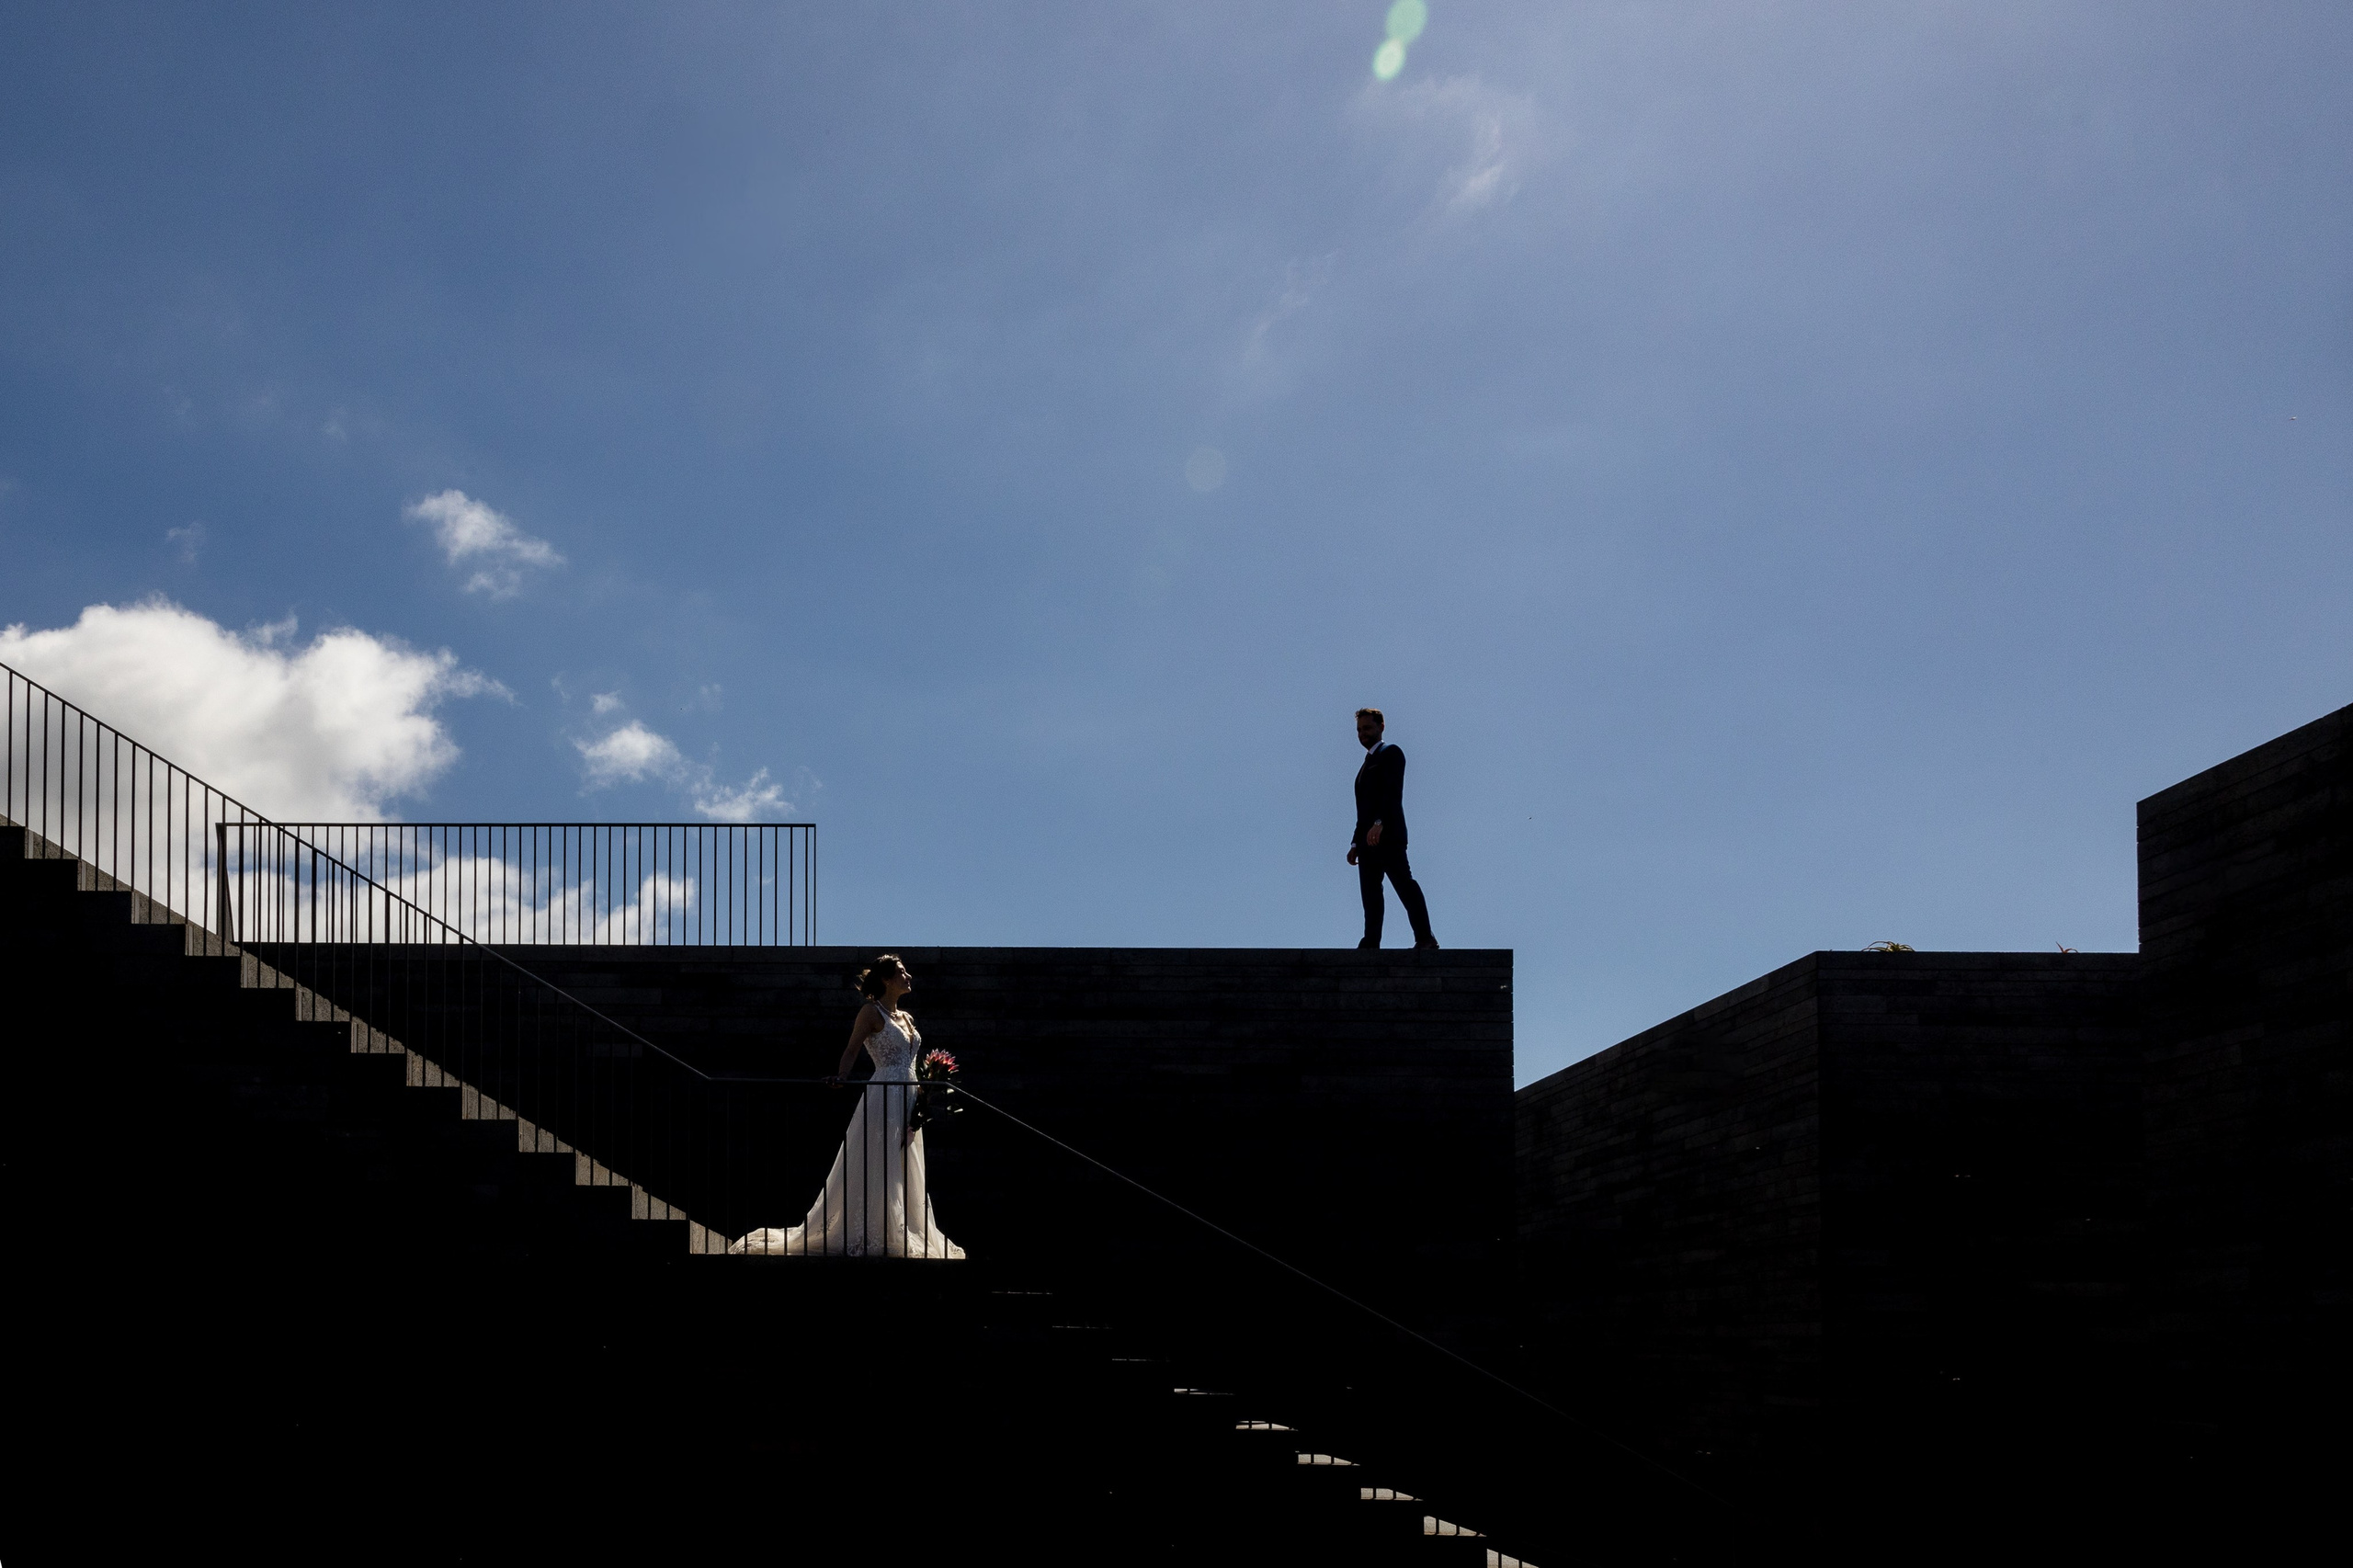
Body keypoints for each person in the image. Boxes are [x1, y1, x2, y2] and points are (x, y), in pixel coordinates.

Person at [730, 954, 964, 1258]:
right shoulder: (870, 1012)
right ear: (886, 979)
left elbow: (912, 1061)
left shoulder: (907, 1018)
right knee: (879, 1160)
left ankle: (901, 1226)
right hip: (883, 1094)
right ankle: (874, 1230)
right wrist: (842, 1075)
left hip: (909, 1097)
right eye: (902, 972)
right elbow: (852, 1048)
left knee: (905, 1165)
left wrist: (925, 1090)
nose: (908, 976)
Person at [1347, 707, 1438, 950]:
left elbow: (1392, 793)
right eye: (1359, 730)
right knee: (1370, 895)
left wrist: (1380, 823)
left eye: (1367, 728)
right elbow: (1362, 810)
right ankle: (1371, 943)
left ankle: (1425, 938)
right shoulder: (1364, 767)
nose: (1362, 734)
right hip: (1366, 843)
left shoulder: (1391, 753)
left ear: (1381, 727)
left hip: (1387, 836)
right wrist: (1355, 843)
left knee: (1404, 885)